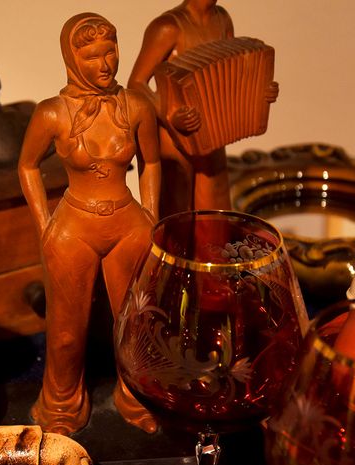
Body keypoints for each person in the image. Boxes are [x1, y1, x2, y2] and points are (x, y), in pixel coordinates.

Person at [18, 12, 160, 435]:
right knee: (65, 332)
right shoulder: (52, 113)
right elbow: (26, 166)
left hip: (128, 226)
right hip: (73, 228)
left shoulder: (136, 106)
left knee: (136, 323)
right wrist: (44, 224)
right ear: (71, 59)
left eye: (110, 52)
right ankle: (62, 405)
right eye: (92, 57)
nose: (105, 64)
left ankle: (136, 396)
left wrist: (151, 216)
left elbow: (152, 162)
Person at [128, 0, 234, 217]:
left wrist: (260, 91)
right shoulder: (167, 27)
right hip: (174, 135)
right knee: (176, 212)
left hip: (212, 132)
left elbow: (233, 69)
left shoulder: (222, 20)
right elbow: (136, 83)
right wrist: (170, 113)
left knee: (215, 214)